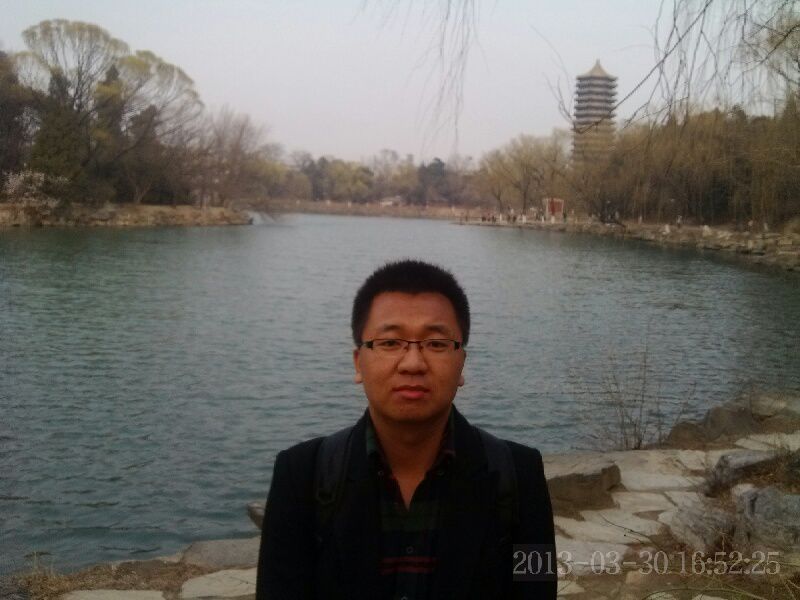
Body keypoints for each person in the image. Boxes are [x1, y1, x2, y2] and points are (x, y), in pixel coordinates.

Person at [256, 260, 556, 599]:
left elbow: (538, 591)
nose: (413, 363)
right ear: (358, 363)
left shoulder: (520, 474)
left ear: (462, 363)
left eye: (436, 344)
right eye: (389, 343)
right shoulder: (302, 475)